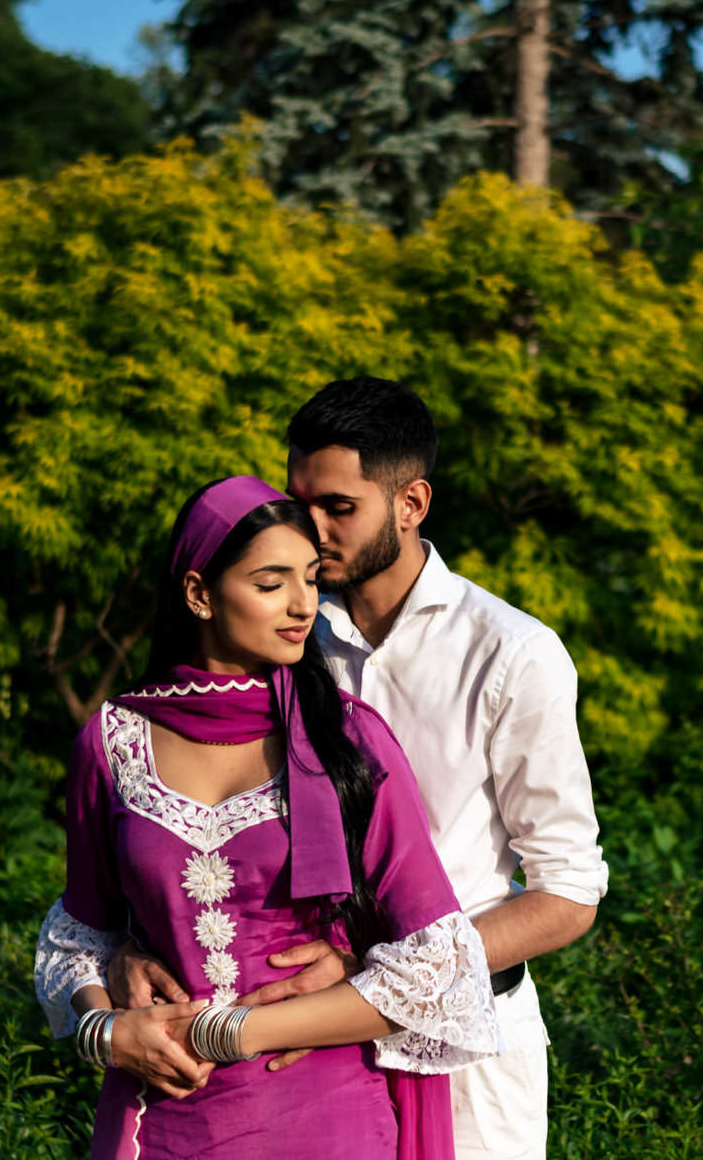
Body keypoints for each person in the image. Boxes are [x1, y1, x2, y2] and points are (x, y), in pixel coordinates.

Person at [111, 380, 608, 1160]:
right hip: (291, 1052)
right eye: (298, 499)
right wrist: (131, 945)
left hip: (467, 1048)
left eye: (339, 507)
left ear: (411, 503)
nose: (309, 527)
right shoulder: (280, 631)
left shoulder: (510, 653)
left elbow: (569, 893)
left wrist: (372, 971)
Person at [33, 475, 501, 1160]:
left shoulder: (348, 742)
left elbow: (434, 964)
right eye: (271, 582)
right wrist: (104, 1032)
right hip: (163, 1116)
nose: (302, 604)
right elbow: (82, 934)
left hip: (328, 1113)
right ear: (198, 594)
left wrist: (230, 1031)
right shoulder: (112, 743)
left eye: (311, 578)